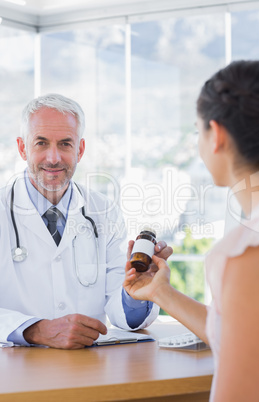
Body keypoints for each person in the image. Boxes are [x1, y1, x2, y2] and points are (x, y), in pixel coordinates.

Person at [124, 60, 259, 401]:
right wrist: (162, 293)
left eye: (197, 130)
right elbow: (240, 334)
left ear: (215, 135)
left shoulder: (248, 251)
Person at [0, 93, 172, 350]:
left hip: (88, 369)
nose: (53, 157)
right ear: (23, 147)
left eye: (66, 144)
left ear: (80, 149)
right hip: (14, 370)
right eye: (41, 143)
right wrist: (36, 329)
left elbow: (121, 312)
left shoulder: (104, 211)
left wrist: (137, 292)